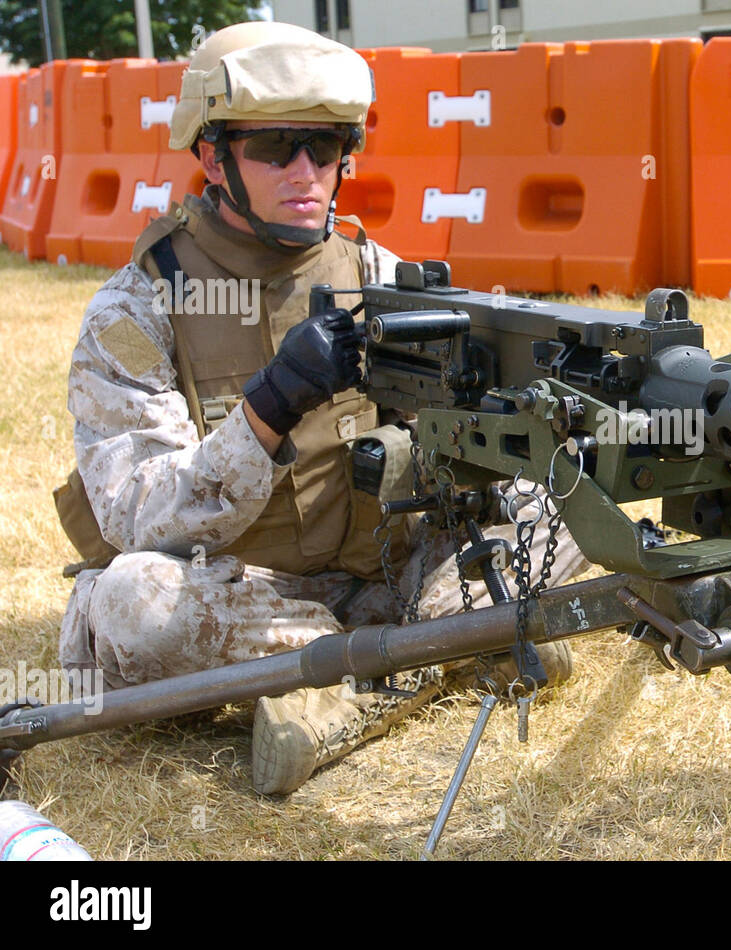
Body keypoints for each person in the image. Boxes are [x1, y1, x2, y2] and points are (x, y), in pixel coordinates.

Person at [53, 21, 584, 796]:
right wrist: (270, 406)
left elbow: (488, 436)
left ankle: (355, 676)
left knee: (567, 497)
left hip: (379, 573)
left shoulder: (377, 272)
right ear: (213, 156)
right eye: (275, 148)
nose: (306, 171)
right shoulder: (138, 308)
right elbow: (138, 515)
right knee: (133, 602)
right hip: (243, 597)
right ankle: (442, 649)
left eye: (326, 147)